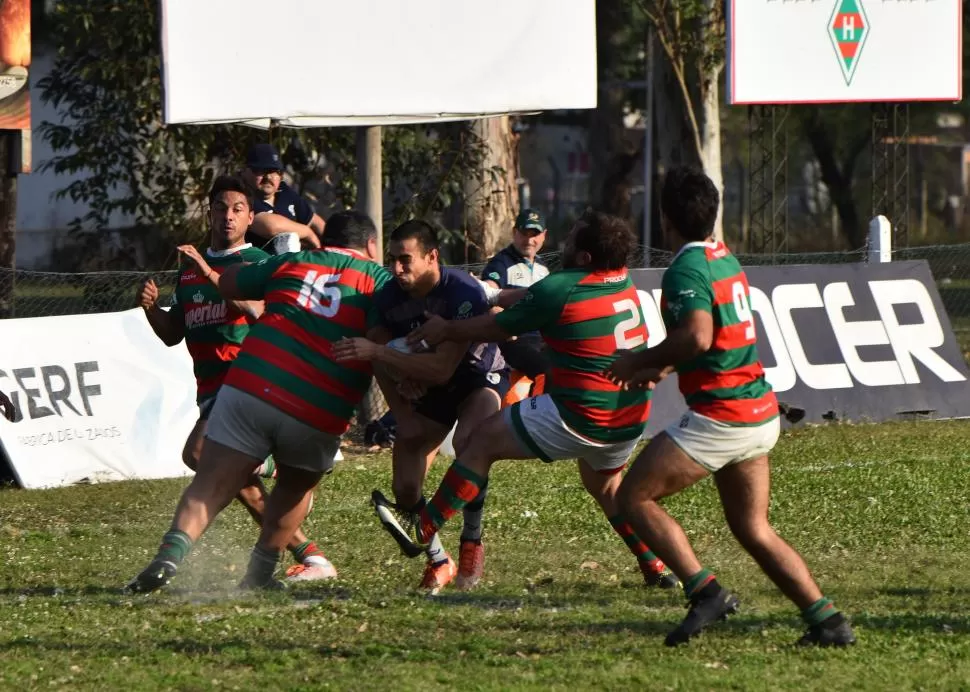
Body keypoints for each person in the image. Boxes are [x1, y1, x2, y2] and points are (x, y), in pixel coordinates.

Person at [605, 166, 855, 647]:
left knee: (633, 497)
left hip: (724, 416)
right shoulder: (724, 260)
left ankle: (706, 593)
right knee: (753, 527)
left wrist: (639, 358)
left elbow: (696, 337)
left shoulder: (685, 269)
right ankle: (828, 621)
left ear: (665, 219)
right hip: (758, 410)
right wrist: (661, 368)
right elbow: (718, 341)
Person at [370, 211, 677, 590]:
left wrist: (447, 327)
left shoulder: (560, 287)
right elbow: (524, 298)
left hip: (581, 414)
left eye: (571, 238)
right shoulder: (621, 281)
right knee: (607, 489)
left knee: (480, 441)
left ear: (582, 257)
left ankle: (425, 525)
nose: (562, 242)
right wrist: (492, 293)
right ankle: (654, 568)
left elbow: (497, 326)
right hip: (629, 417)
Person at [125, 209, 388, 594]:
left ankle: (168, 556)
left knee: (208, 482)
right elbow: (385, 339)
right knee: (295, 490)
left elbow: (231, 283)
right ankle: (260, 573)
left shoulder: (289, 261)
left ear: (325, 240)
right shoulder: (379, 281)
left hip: (250, 383)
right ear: (371, 245)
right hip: (319, 401)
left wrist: (219, 271)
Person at [135, 175, 335, 583]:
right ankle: (309, 553)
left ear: (249, 218)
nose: (228, 216)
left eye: (237, 209)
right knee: (228, 475)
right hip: (211, 389)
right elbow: (176, 332)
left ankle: (273, 467)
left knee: (199, 455)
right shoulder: (188, 269)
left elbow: (260, 312)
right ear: (209, 213)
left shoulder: (258, 264)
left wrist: (210, 272)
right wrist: (152, 310)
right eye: (221, 208)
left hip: (249, 383)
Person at [332, 220, 509, 593]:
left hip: (476, 379)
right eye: (392, 259)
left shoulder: (461, 290)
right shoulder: (386, 298)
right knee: (405, 490)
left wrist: (384, 354)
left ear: (432, 257)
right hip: (428, 387)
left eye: (405, 260)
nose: (396, 269)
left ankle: (471, 540)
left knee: (469, 445)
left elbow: (444, 368)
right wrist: (401, 405)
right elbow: (379, 353)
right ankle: (440, 561)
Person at [480, 209, 552, 399]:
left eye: (535, 234)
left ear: (544, 235)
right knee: (545, 369)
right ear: (514, 233)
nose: (529, 240)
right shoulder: (501, 263)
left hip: (543, 339)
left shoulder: (544, 268)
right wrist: (506, 330)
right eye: (524, 233)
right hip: (515, 340)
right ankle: (538, 414)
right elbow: (488, 294)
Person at [241, 143, 325, 252]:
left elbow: (315, 222)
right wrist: (308, 233)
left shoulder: (284, 191)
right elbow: (271, 226)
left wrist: (335, 248)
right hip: (258, 265)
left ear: (281, 175)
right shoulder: (241, 195)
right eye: (260, 170)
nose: (268, 177)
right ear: (245, 171)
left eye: (274, 171)